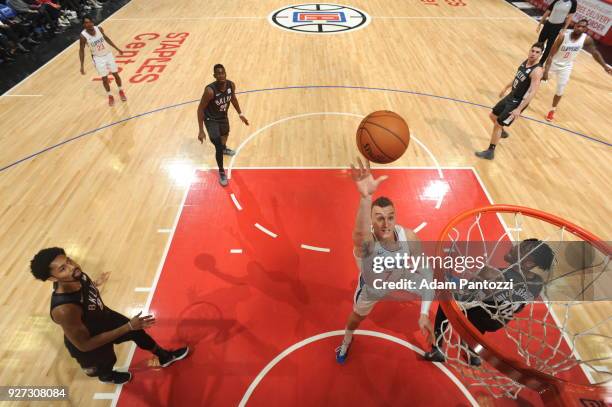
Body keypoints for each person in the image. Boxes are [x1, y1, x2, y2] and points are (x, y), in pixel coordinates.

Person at [30, 247, 189, 384]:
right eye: (63, 269)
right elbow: (84, 345)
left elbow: (86, 290)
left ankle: (164, 356)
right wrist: (128, 326)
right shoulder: (64, 309)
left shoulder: (79, 275)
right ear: (52, 278)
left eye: (69, 261)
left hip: (104, 317)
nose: (72, 267)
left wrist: (97, 282)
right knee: (106, 363)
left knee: (138, 333)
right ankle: (107, 376)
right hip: (89, 341)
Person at [335, 158, 434, 364]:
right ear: (372, 220)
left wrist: (424, 313)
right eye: (379, 217)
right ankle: (346, 340)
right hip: (373, 287)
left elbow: (427, 275)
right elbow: (358, 234)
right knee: (356, 317)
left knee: (442, 285)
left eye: (390, 217)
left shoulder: (409, 237)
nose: (385, 223)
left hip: (400, 278)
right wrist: (365, 198)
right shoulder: (368, 243)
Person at [423, 239, 554, 365]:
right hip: (498, 322)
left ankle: (437, 348)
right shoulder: (537, 283)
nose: (513, 247)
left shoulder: (493, 274)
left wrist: (449, 281)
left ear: (528, 263)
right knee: (488, 309)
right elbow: (518, 305)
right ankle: (471, 350)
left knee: (447, 303)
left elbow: (465, 296)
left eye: (519, 248)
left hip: (481, 315)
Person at [475, 43, 544, 160]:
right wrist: (506, 87)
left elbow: (533, 92)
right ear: (529, 51)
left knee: (498, 124)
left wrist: (519, 109)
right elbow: (517, 77)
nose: (533, 54)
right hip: (511, 95)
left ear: (541, 54)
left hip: (517, 102)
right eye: (532, 50)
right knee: (493, 115)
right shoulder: (525, 62)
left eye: (537, 52)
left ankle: (490, 152)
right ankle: (501, 132)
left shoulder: (536, 71)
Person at [543, 19, 612, 122]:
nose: (579, 28)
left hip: (566, 66)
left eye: (582, 27)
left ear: (586, 29)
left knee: (560, 89)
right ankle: (521, 97)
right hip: (553, 63)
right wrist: (546, 71)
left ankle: (552, 110)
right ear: (574, 26)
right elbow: (551, 54)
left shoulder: (586, 39)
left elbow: (595, 53)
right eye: (578, 26)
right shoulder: (563, 36)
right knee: (535, 81)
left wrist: (604, 66)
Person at [197, 64, 249, 186]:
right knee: (218, 145)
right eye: (218, 73)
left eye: (223, 73)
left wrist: (240, 114)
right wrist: (201, 130)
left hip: (222, 117)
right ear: (214, 76)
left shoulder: (231, 85)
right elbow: (200, 109)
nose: (221, 75)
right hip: (210, 119)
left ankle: (224, 148)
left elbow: (233, 99)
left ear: (225, 73)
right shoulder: (210, 91)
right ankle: (221, 172)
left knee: (225, 134)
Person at [79, 16, 126, 106]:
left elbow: (106, 38)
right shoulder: (83, 36)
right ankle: (110, 96)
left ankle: (121, 90)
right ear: (83, 25)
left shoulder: (99, 29)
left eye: (90, 22)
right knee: (104, 78)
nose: (89, 24)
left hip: (108, 54)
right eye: (86, 23)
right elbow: (81, 50)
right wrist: (82, 65)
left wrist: (117, 48)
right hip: (98, 58)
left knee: (115, 74)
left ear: (93, 22)